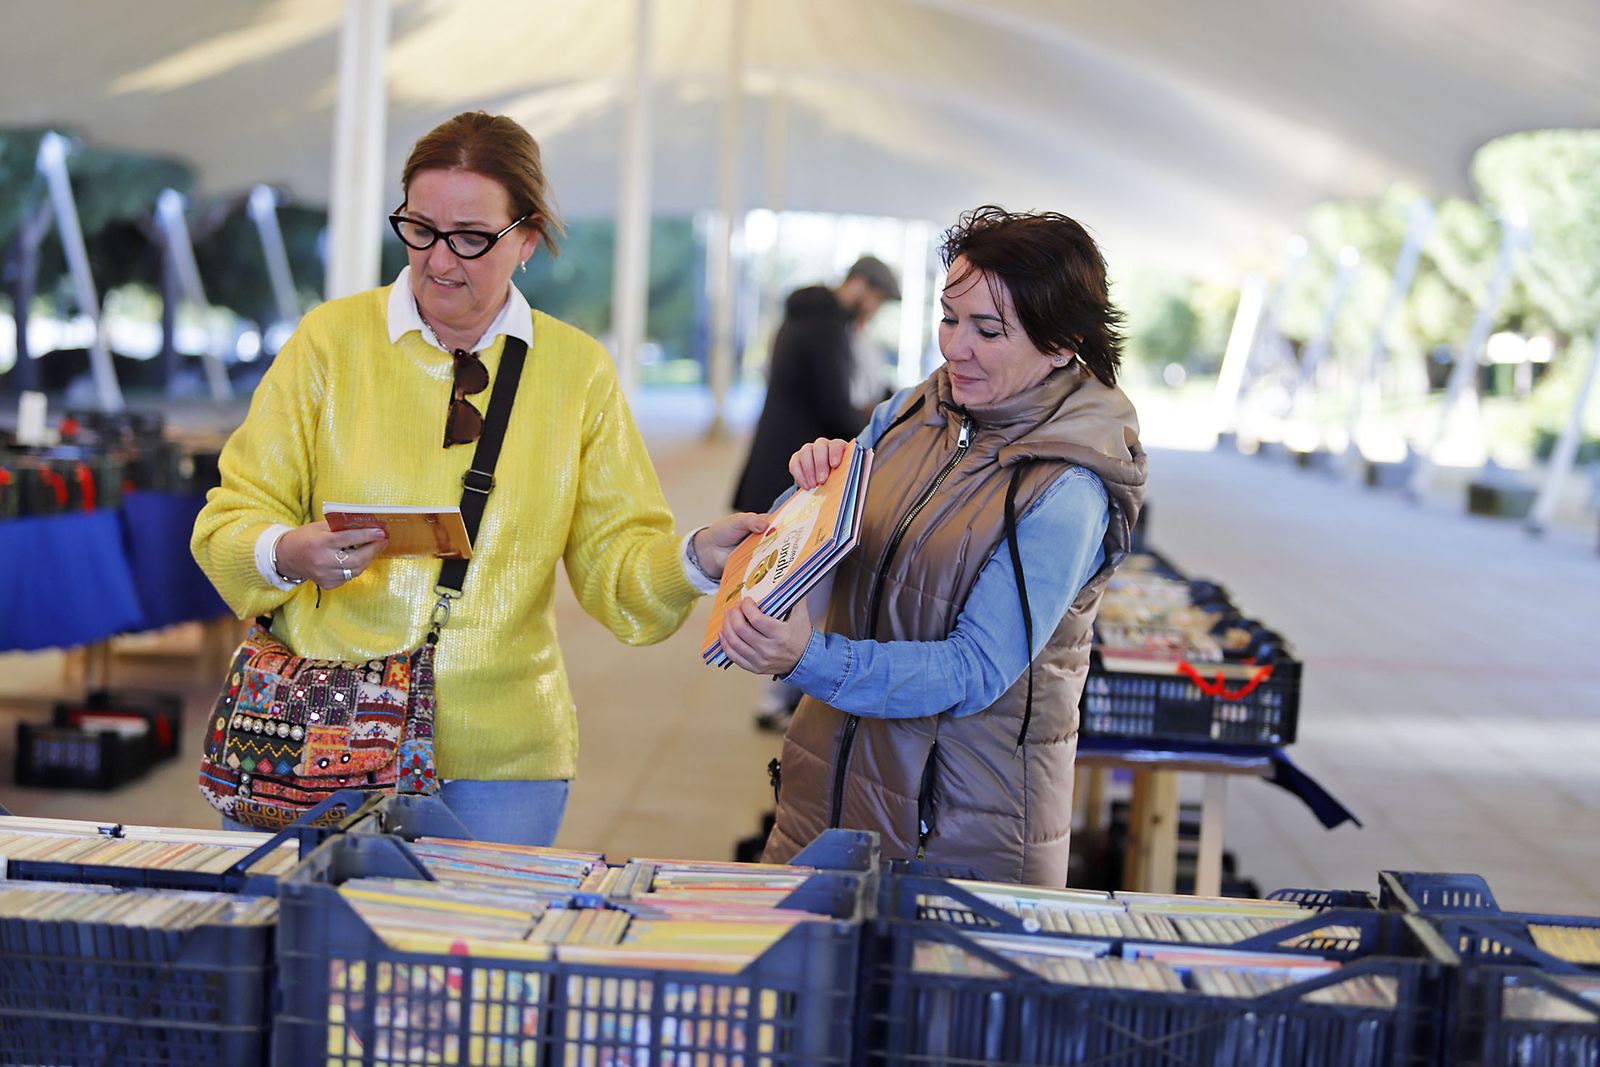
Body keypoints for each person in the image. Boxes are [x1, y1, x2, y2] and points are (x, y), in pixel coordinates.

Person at [192, 111, 759, 847]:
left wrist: (694, 559)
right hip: (322, 734)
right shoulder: (330, 344)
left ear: (526, 239)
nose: (438, 260)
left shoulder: (576, 371)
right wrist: (285, 551)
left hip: (503, 762)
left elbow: (617, 566)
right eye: (419, 228)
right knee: (323, 957)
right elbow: (228, 518)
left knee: (473, 961)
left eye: (470, 238)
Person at [715, 206, 1147, 886]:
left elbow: (974, 670)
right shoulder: (917, 410)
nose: (955, 347)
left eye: (988, 329)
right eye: (949, 317)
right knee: (810, 990)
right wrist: (809, 494)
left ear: (1063, 343)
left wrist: (808, 657)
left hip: (957, 836)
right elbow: (811, 556)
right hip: (827, 797)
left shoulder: (1068, 486)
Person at [731, 255, 901, 732]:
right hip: (798, 472)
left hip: (780, 463)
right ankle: (777, 697)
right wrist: (877, 435)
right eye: (878, 300)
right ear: (860, 286)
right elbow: (832, 403)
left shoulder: (802, 317)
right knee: (802, 586)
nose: (873, 311)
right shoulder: (827, 325)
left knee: (790, 584)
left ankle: (778, 692)